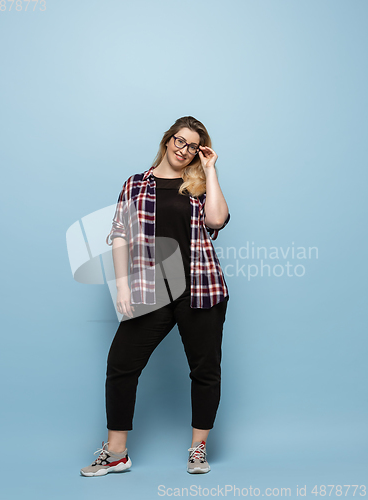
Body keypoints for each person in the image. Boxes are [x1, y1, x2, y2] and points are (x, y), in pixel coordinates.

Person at [80, 116, 230, 477]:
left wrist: (209, 170)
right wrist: (122, 286)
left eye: (193, 146)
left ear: (199, 151)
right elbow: (119, 235)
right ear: (167, 140)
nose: (185, 149)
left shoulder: (197, 184)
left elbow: (217, 220)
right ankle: (116, 454)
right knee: (121, 364)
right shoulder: (135, 184)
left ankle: (198, 448)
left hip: (200, 286)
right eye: (180, 141)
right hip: (151, 289)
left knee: (204, 370)